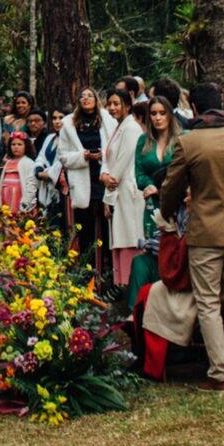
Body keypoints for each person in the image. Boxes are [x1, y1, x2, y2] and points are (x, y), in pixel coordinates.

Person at [157, 82, 224, 392]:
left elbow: (172, 187)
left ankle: (220, 372)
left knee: (208, 303)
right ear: (222, 105)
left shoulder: (190, 144)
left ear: (197, 109)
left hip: (205, 231)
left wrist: (168, 211)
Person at [56, 88, 114, 270]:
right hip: (82, 179)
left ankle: (107, 272)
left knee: (106, 229)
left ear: (96, 99)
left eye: (90, 95)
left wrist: (101, 156)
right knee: (85, 230)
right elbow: (64, 156)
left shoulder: (107, 120)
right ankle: (87, 271)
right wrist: (84, 157)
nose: (86, 99)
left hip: (103, 178)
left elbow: (115, 148)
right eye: (83, 96)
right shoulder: (69, 124)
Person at [126, 97, 178, 303]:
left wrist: (162, 187)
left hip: (175, 200)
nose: (157, 118)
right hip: (151, 203)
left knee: (172, 245)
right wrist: (148, 184)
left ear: (170, 115)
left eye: (162, 113)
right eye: (153, 114)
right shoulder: (144, 140)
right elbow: (138, 171)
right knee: (152, 246)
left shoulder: (182, 137)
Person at [102, 89, 147, 304]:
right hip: (116, 190)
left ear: (127, 105)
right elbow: (107, 159)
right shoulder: (118, 127)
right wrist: (104, 175)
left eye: (116, 104)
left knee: (130, 240)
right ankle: (125, 293)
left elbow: (119, 167)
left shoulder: (131, 129)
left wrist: (108, 186)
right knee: (121, 242)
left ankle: (133, 298)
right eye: (109, 104)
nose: (112, 108)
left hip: (127, 192)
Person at [0, 132, 36, 214]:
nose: (16, 147)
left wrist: (26, 202)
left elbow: (31, 184)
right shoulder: (8, 162)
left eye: (19, 144)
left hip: (19, 199)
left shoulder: (29, 163)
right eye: (13, 144)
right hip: (6, 197)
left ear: (26, 146)